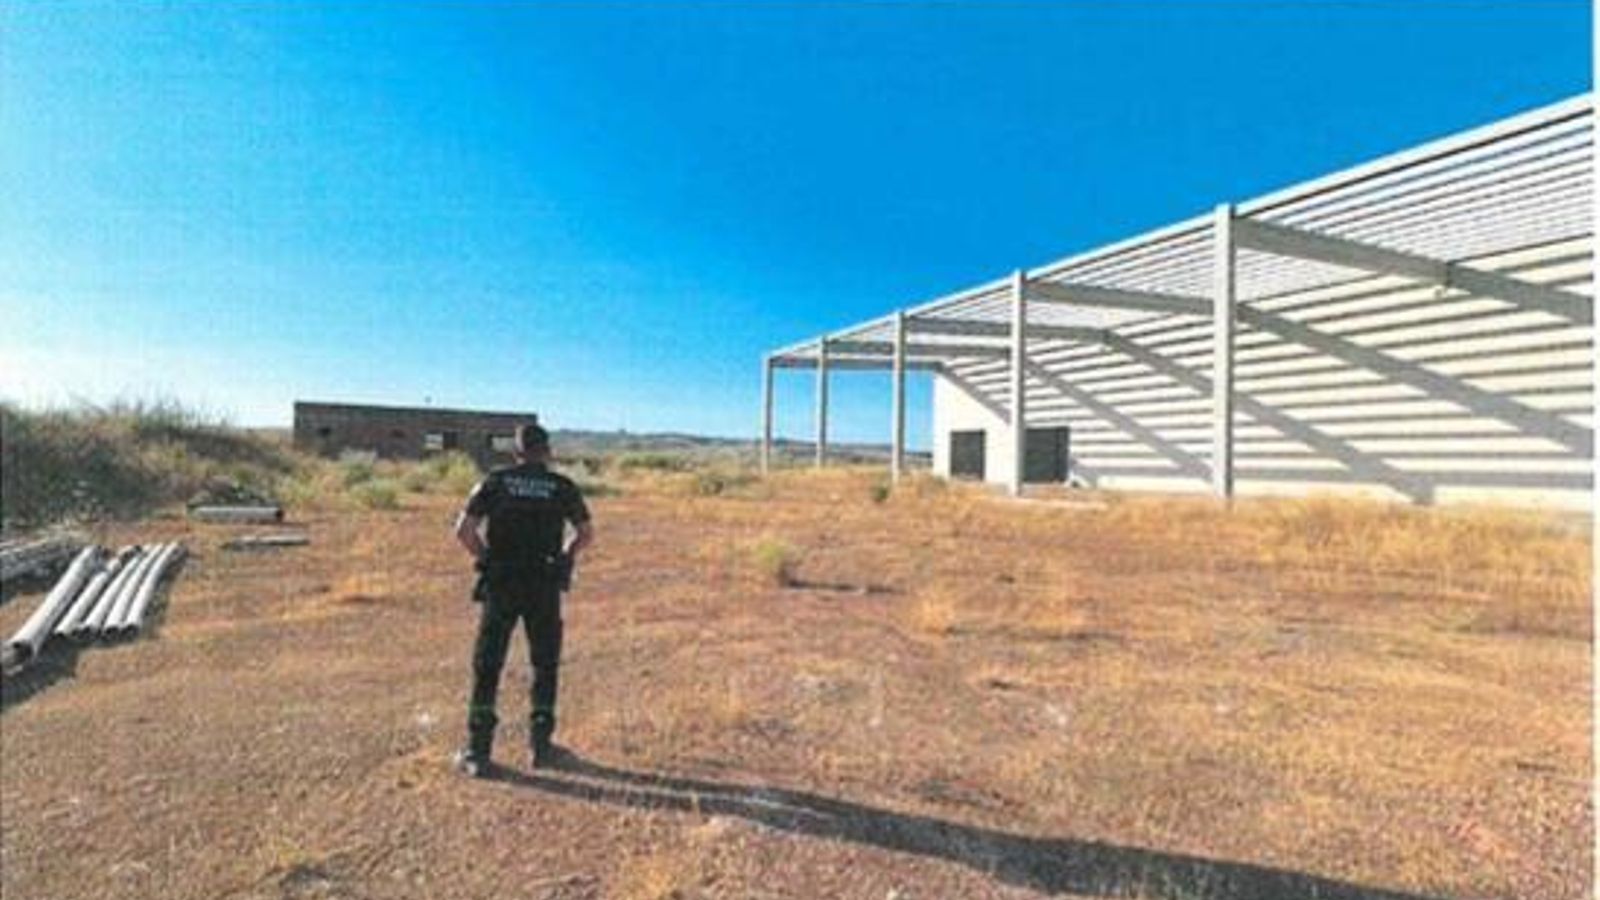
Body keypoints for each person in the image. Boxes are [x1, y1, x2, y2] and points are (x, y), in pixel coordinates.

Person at [451, 422, 593, 776]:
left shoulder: (495, 482)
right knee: (544, 665)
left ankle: (478, 752)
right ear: (547, 452)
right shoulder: (562, 487)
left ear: (515, 451)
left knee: (488, 665)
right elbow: (586, 533)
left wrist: (485, 558)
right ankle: (541, 748)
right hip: (543, 585)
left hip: (502, 582)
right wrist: (565, 556)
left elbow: (464, 531)